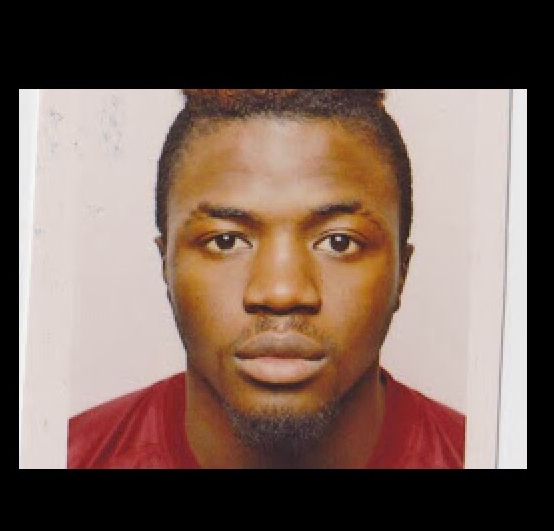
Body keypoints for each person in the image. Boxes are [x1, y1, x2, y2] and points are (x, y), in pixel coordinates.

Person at [67, 89, 465, 469]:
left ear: (402, 272)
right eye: (225, 241)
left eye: (339, 242)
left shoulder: (484, 453)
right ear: (165, 264)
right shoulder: (61, 453)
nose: (281, 292)